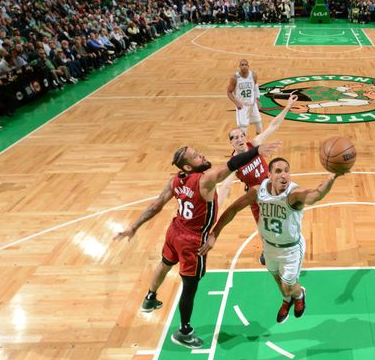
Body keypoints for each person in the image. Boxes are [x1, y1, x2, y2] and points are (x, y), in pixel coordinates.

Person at [115, 140, 281, 348]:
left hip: (175, 230)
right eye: (195, 156)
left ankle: (150, 297)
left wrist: (134, 226)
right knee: (189, 286)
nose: (201, 156)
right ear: (187, 166)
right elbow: (232, 165)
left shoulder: (176, 179)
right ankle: (184, 331)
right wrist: (255, 151)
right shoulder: (205, 180)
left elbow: (157, 205)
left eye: (198, 153)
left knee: (165, 263)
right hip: (192, 241)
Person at [199, 157, 345, 324]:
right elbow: (233, 209)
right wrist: (215, 234)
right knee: (277, 279)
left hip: (291, 250)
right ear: (269, 175)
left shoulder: (293, 195)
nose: (284, 175)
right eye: (278, 171)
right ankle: (286, 300)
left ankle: (299, 295)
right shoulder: (258, 191)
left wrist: (331, 176)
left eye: (287, 171)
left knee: (289, 285)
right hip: (269, 247)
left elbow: (315, 196)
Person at [229, 93, 299, 266]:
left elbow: (272, 126)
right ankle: (267, 250)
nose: (239, 139)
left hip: (274, 189)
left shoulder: (254, 145)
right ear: (231, 143)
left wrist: (288, 106)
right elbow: (224, 187)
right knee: (263, 227)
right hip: (257, 197)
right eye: (235, 138)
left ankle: (289, 246)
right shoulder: (232, 164)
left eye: (241, 136)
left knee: (284, 219)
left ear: (245, 137)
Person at [227, 59, 262, 136]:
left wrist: (257, 100)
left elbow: (256, 89)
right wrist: (236, 103)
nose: (244, 67)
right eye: (242, 65)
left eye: (246, 65)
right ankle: (242, 147)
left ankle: (257, 145)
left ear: (248, 66)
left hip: (252, 105)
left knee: (259, 126)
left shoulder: (253, 75)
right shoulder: (235, 78)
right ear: (239, 66)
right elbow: (229, 92)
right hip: (242, 107)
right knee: (243, 130)